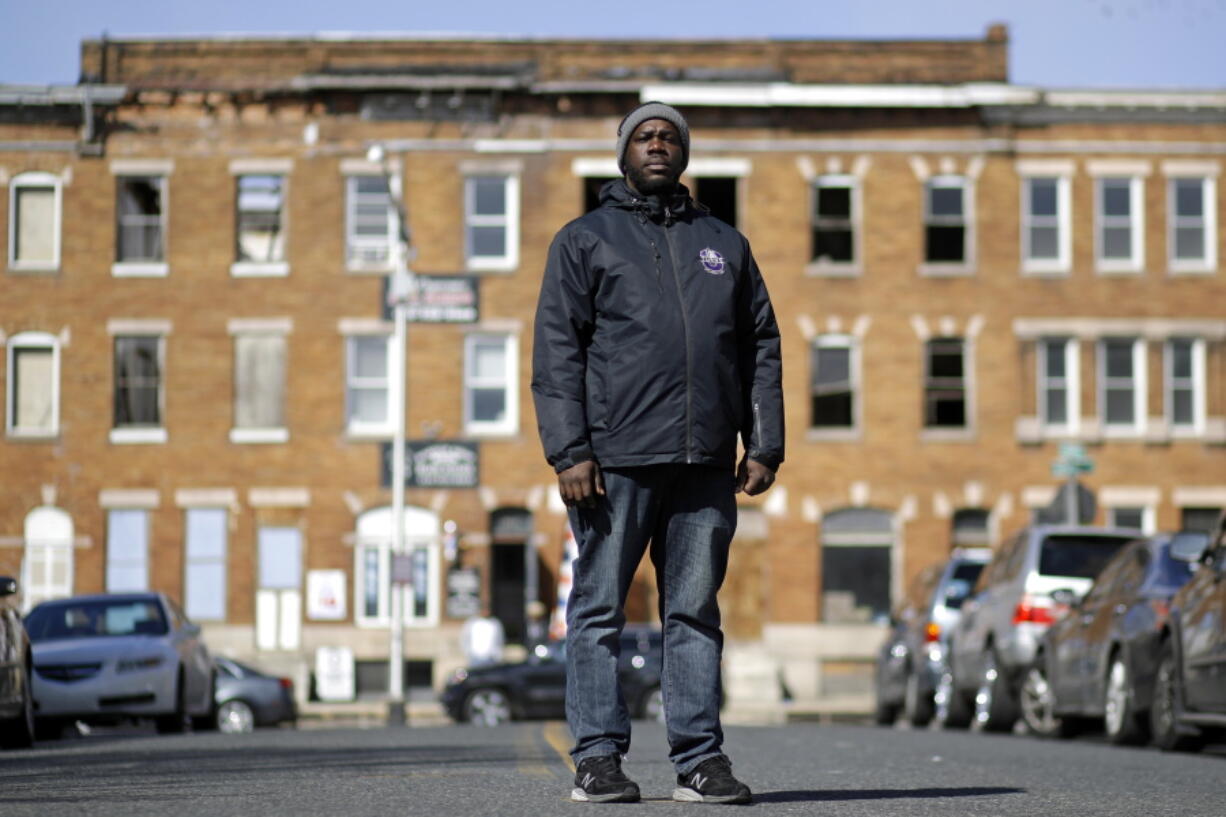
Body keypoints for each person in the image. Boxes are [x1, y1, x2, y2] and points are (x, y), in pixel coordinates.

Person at [531, 101, 784, 805]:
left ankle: (700, 760)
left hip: (705, 459)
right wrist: (569, 450)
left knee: (694, 612)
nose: (657, 145)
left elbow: (761, 341)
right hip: (614, 461)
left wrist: (764, 442)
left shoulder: (723, 243)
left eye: (670, 137)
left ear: (684, 154)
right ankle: (598, 758)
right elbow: (557, 352)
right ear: (623, 152)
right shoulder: (584, 240)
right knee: (599, 610)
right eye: (644, 136)